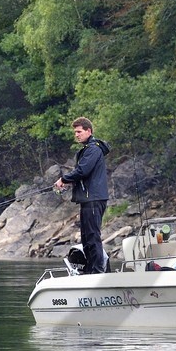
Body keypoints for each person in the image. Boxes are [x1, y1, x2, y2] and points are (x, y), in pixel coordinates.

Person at [53, 117, 110, 274]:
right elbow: (84, 174)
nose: (76, 135)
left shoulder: (93, 149)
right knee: (86, 237)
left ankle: (98, 271)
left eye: (79, 132)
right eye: (75, 132)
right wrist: (67, 182)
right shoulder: (88, 149)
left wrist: (64, 179)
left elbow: (82, 170)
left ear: (88, 131)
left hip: (94, 198)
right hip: (88, 199)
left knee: (92, 236)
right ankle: (91, 269)